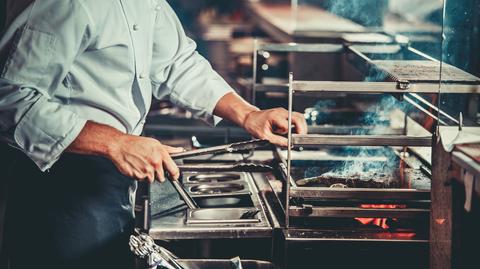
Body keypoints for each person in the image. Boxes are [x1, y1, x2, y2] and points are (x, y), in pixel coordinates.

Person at [0, 0, 307, 268]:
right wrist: (116, 144)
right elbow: (10, 98)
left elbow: (177, 64)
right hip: (59, 185)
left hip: (113, 177)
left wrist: (248, 113)